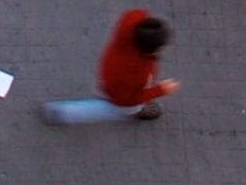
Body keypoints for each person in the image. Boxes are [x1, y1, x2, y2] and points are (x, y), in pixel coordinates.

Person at [38, 10, 177, 125]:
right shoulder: (137, 69)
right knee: (108, 109)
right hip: (120, 93)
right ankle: (62, 113)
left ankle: (60, 112)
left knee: (105, 95)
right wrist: (161, 90)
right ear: (149, 49)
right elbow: (129, 99)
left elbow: (137, 15)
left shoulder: (129, 26)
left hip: (109, 71)